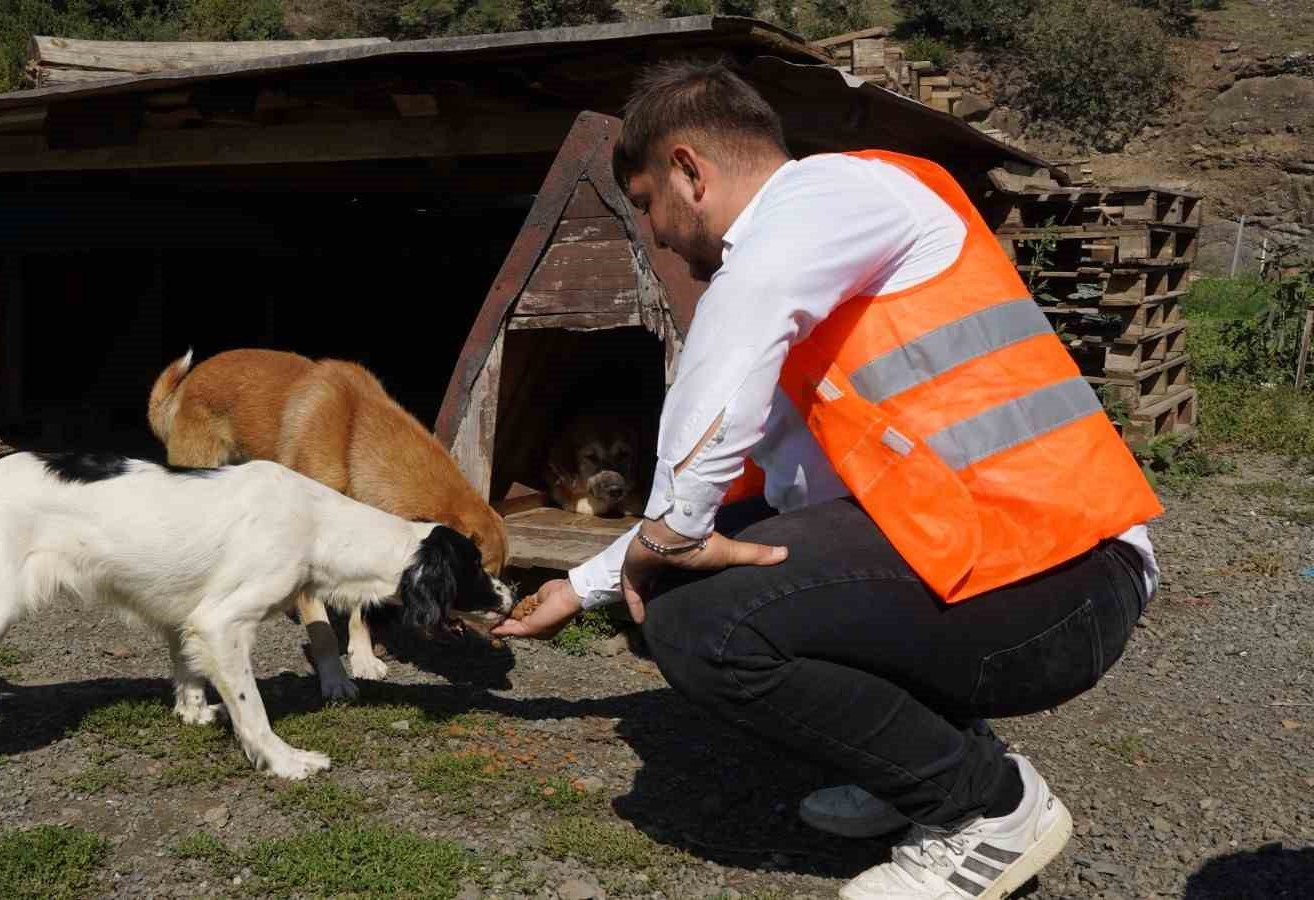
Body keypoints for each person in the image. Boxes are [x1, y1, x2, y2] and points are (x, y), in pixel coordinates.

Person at [492, 57, 1162, 900]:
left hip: (1066, 583)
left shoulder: (841, 195)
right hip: (1005, 564)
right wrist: (581, 584)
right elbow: (737, 487)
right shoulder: (815, 298)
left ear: (688, 171)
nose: (655, 235)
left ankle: (987, 809)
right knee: (733, 570)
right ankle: (925, 769)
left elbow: (731, 346)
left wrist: (664, 542)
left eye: (646, 205)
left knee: (698, 619)